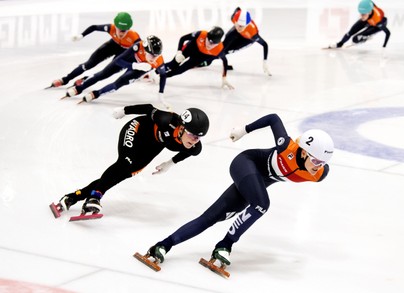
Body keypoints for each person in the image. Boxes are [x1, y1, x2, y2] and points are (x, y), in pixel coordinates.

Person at [142, 113, 334, 270]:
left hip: (254, 183)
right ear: (303, 151)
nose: (318, 167)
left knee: (211, 217)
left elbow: (319, 168)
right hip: (245, 164)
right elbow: (273, 119)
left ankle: (162, 245)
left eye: (323, 163)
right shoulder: (287, 148)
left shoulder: (318, 174)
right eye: (316, 161)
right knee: (261, 205)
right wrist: (243, 130)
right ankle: (225, 245)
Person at [52, 104, 209, 215]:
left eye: (199, 137)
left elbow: (187, 153)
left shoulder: (194, 147)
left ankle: (73, 197)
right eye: (193, 135)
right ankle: (95, 196)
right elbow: (148, 108)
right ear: (181, 128)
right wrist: (124, 111)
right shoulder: (166, 120)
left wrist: (170, 163)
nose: (195, 140)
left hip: (152, 146)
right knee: (124, 163)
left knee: (122, 174)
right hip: (137, 129)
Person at [63, 36, 169, 108]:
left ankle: (96, 94)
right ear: (145, 49)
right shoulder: (138, 46)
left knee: (117, 84)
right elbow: (118, 60)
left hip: (138, 71)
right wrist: (135, 65)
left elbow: (163, 76)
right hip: (129, 61)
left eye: (157, 56)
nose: (154, 59)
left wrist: (161, 94)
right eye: (152, 55)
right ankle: (79, 88)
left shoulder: (158, 61)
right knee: (102, 74)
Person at [49, 12, 141, 88]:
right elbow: (94, 27)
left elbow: (142, 51)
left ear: (128, 29)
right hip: (111, 46)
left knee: (108, 71)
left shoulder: (134, 37)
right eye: (119, 29)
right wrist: (81, 36)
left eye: (124, 31)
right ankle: (65, 79)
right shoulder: (110, 28)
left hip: (124, 52)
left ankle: (87, 78)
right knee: (88, 64)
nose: (121, 33)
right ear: (115, 26)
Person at [199, 7, 271, 76]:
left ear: (247, 25)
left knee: (227, 51)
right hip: (235, 32)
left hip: (246, 39)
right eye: (238, 25)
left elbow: (265, 45)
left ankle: (208, 60)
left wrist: (265, 61)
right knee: (222, 47)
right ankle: (206, 57)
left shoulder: (253, 33)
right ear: (235, 21)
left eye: (242, 26)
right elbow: (238, 9)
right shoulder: (234, 18)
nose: (240, 28)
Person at [165, 26, 234, 90]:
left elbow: (225, 61)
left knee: (180, 70)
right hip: (190, 48)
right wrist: (179, 52)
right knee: (173, 64)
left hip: (199, 57)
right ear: (206, 36)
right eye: (209, 41)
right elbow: (183, 38)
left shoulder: (219, 49)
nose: (209, 45)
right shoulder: (201, 34)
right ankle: (156, 69)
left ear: (218, 43)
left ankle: (162, 76)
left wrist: (224, 77)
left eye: (213, 44)